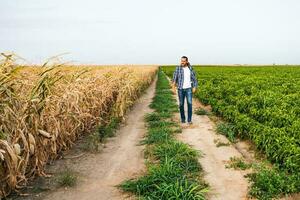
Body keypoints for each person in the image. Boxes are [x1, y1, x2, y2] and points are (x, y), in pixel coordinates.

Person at [171, 56, 198, 124]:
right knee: (181, 104)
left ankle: (189, 120)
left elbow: (194, 78)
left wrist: (194, 87)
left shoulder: (190, 68)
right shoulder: (178, 68)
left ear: (186, 61)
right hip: (180, 89)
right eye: (181, 61)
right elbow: (174, 78)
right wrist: (173, 87)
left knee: (190, 103)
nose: (182, 62)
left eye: (183, 61)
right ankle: (183, 119)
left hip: (189, 89)